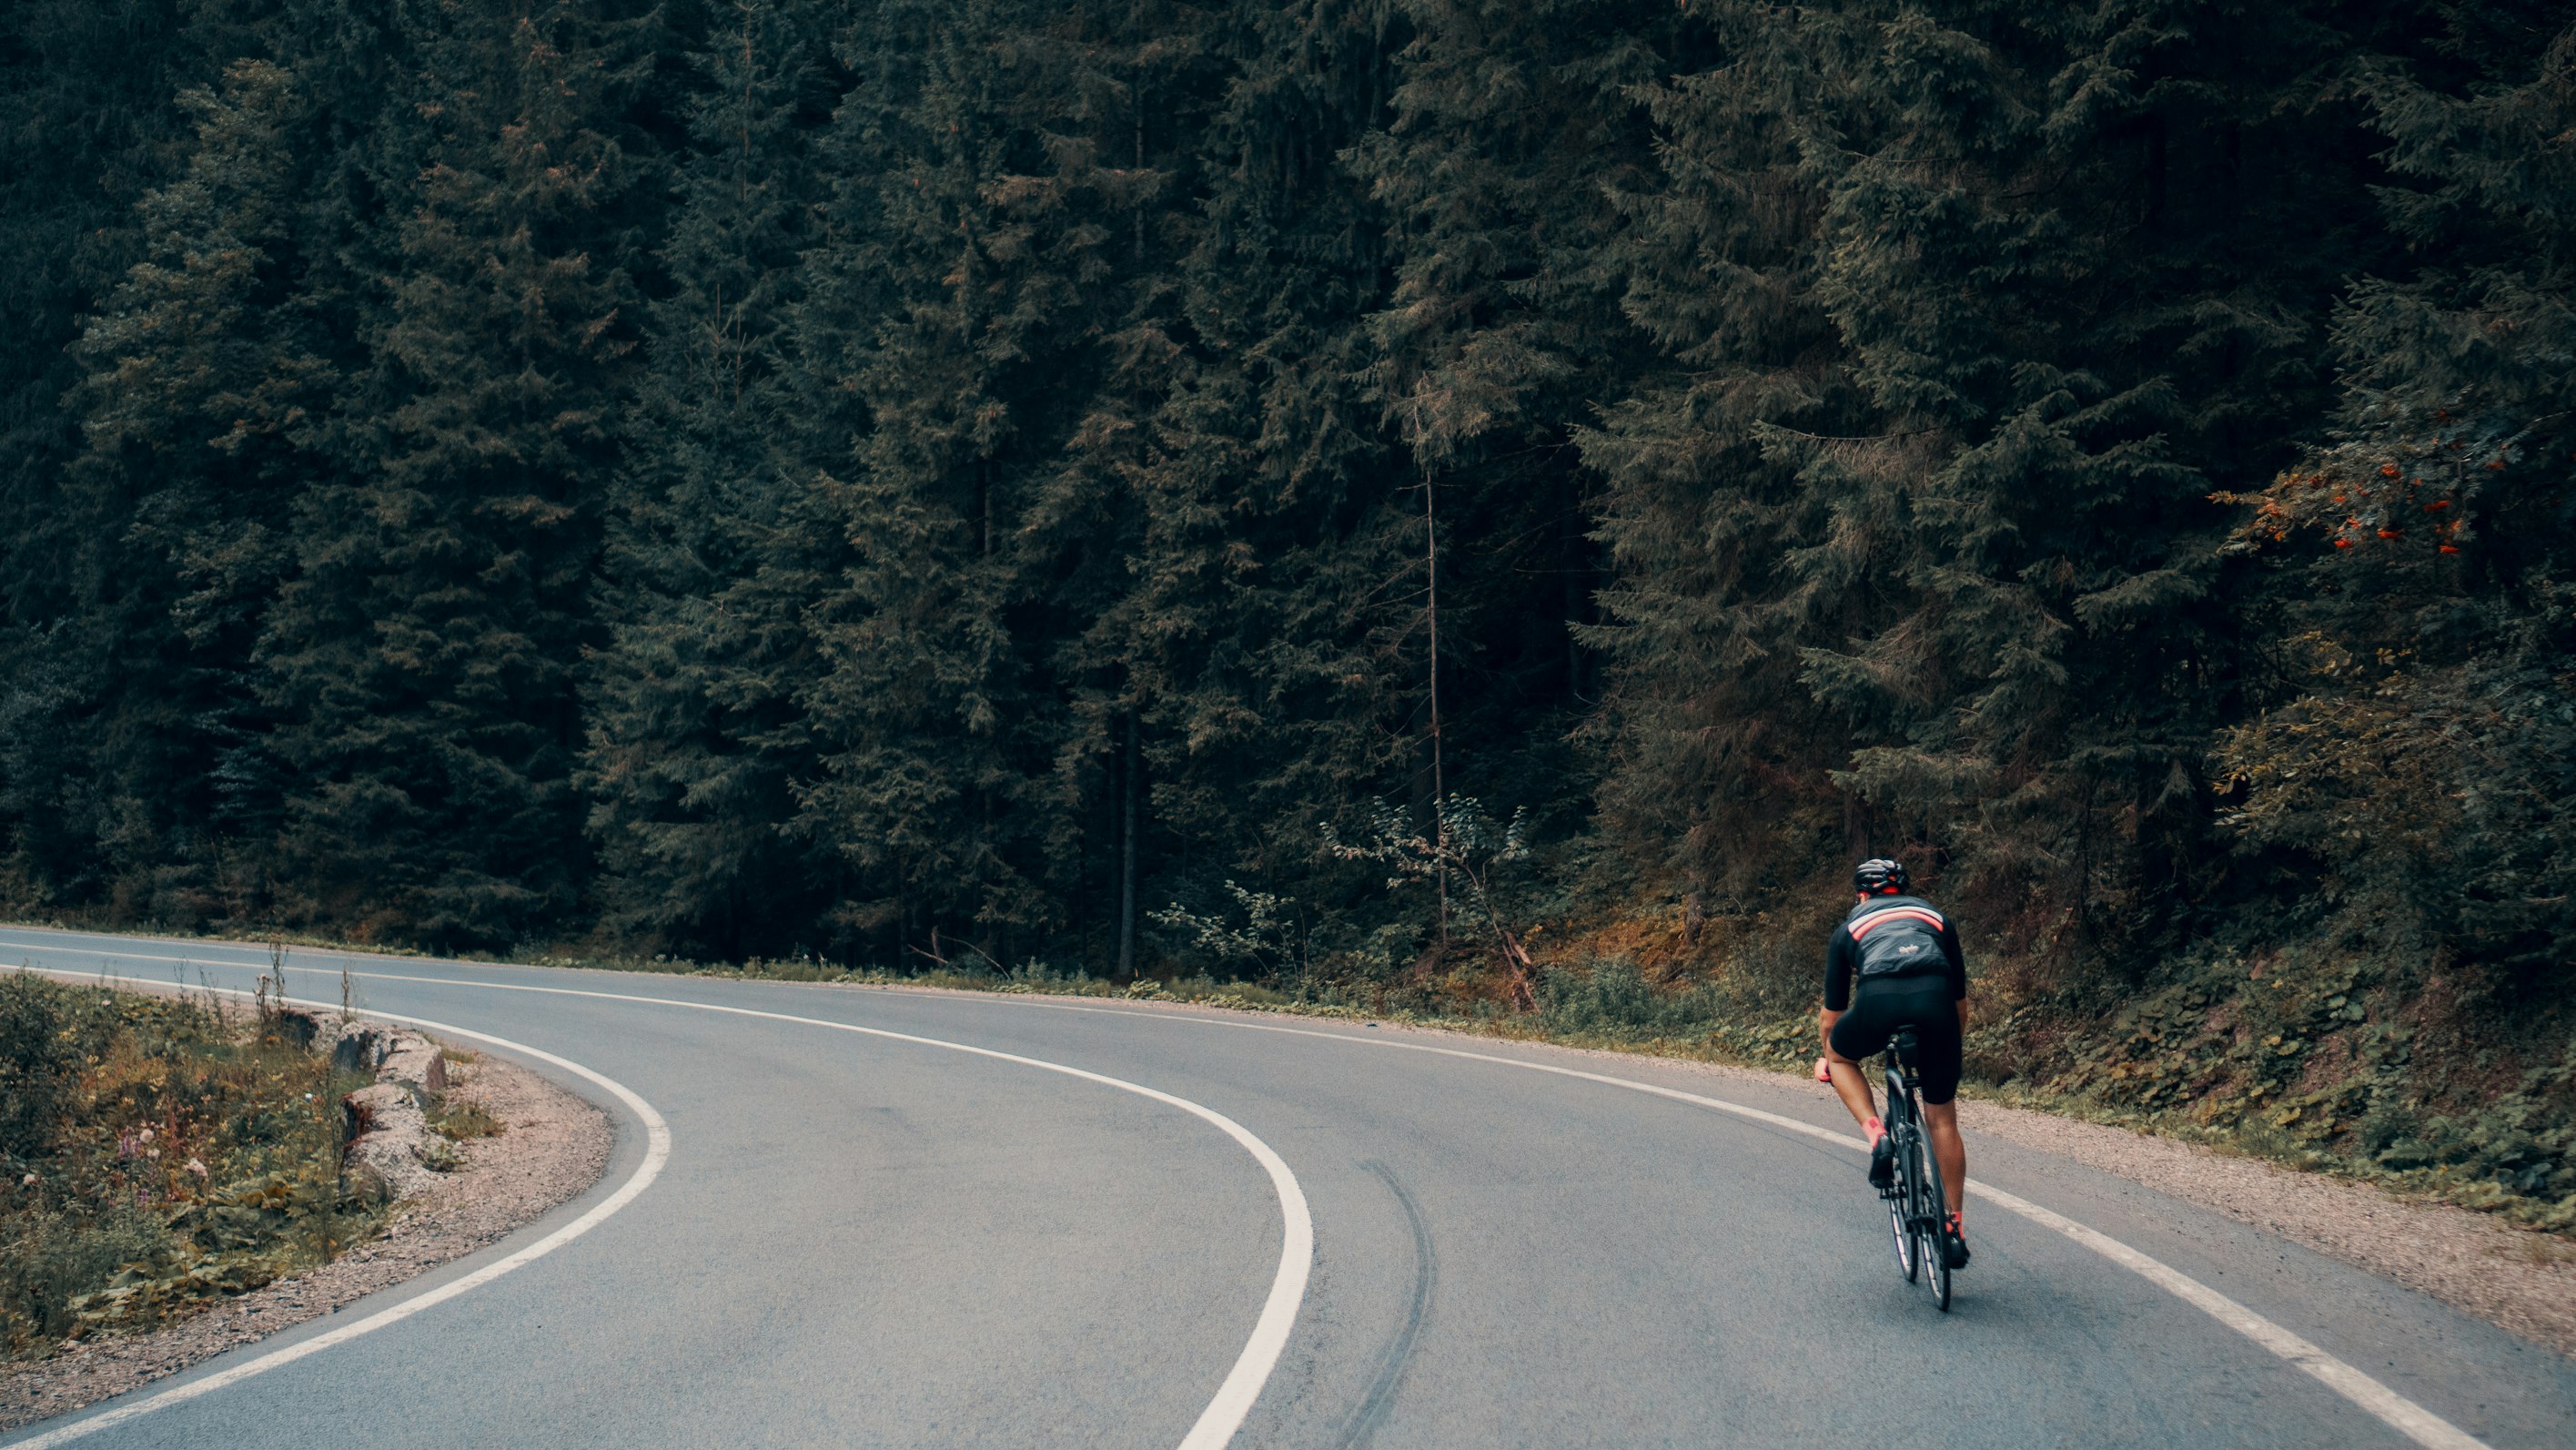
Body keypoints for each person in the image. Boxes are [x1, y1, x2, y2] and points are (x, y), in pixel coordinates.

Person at [1816, 857, 1971, 1268]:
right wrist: (1949, 1044)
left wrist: (1826, 1056)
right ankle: (1953, 1227)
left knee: (1840, 1055)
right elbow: (1960, 1006)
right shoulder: (1937, 919)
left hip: (1877, 999)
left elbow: (1831, 1018)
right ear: (1904, 891)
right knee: (1942, 1120)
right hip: (1937, 1006)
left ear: (1861, 895)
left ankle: (1877, 1136)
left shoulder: (1848, 929)